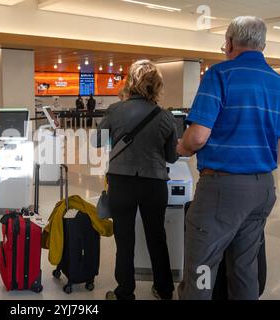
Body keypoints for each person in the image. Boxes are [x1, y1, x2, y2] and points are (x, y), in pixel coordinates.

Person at [177, 16, 280, 300]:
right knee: (245, 268)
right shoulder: (277, 82)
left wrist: (182, 148)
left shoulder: (220, 75)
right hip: (263, 188)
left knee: (201, 268)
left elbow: (197, 136)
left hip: (222, 190)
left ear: (231, 42)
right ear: (262, 45)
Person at [96, 60, 178, 300]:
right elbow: (172, 157)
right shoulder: (164, 117)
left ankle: (124, 292)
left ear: (130, 82)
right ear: (157, 85)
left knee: (124, 238)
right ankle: (164, 289)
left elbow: (97, 142)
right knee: (157, 236)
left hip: (122, 183)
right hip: (154, 184)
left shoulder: (115, 110)